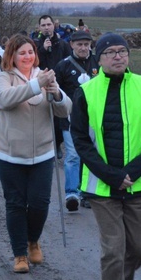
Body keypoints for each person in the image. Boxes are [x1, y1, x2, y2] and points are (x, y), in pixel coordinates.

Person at [70, 33, 141, 280]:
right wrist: (110, 175)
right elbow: (81, 141)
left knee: (140, 247)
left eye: (122, 51)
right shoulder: (86, 92)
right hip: (102, 188)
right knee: (113, 250)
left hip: (138, 184)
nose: (118, 57)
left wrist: (133, 172)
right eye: (110, 52)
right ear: (99, 58)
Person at [0, 35, 71, 274]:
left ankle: (33, 240)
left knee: (40, 203)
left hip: (43, 152)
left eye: (30, 52)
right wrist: (37, 85)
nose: (27, 57)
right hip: (10, 153)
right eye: (22, 53)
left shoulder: (44, 76)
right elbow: (4, 100)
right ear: (12, 56)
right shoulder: (3, 78)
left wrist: (57, 94)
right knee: (15, 203)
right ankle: (19, 254)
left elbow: (64, 110)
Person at [53, 29, 98, 211]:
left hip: (95, 119)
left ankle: (88, 192)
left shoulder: (98, 63)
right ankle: (72, 193)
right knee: (73, 155)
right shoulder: (63, 66)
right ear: (72, 45)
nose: (83, 48)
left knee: (92, 155)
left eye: (86, 44)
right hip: (70, 119)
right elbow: (55, 91)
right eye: (79, 44)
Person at [35, 15, 71, 157]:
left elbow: (69, 61)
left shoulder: (62, 44)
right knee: (43, 116)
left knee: (59, 118)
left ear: (53, 26)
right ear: (39, 27)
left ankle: (57, 144)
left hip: (59, 84)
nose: (46, 27)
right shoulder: (35, 44)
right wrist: (43, 49)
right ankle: (44, 144)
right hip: (41, 85)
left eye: (48, 24)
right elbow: (33, 62)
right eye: (43, 25)